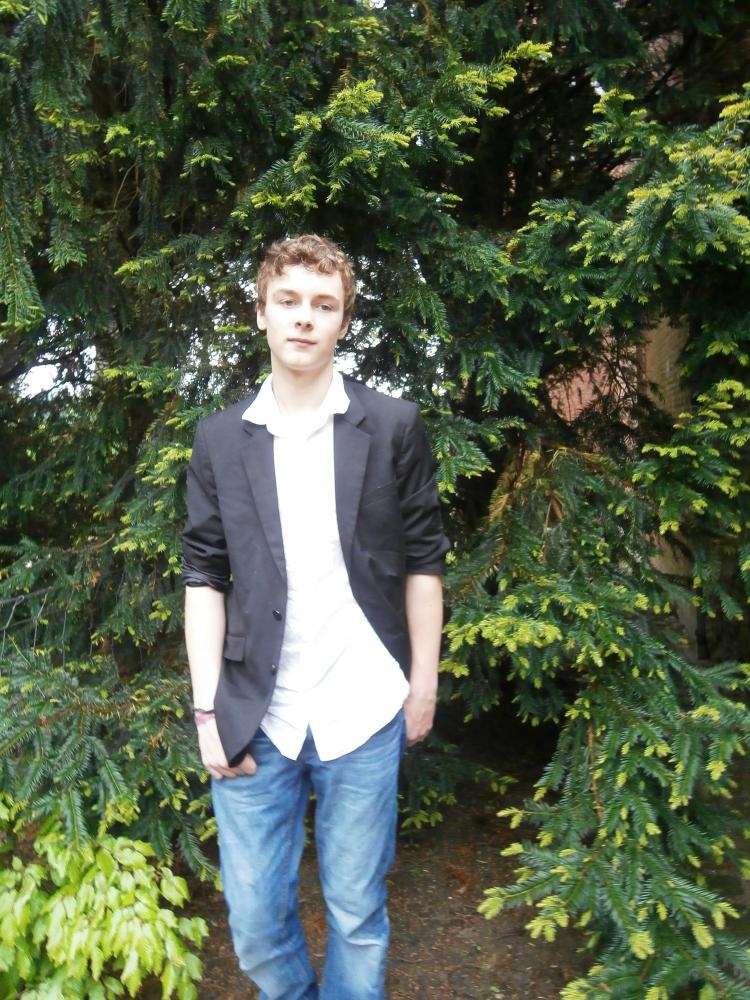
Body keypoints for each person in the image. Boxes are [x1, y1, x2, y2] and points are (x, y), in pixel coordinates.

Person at [182, 234, 449, 1000]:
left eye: (323, 305)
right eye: (289, 301)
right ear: (261, 312)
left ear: (343, 322)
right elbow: (204, 576)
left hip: (364, 708)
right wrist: (206, 711)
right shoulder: (220, 439)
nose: (304, 317)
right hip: (254, 714)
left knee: (358, 914)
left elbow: (425, 561)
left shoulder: (391, 425)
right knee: (255, 922)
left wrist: (423, 684)